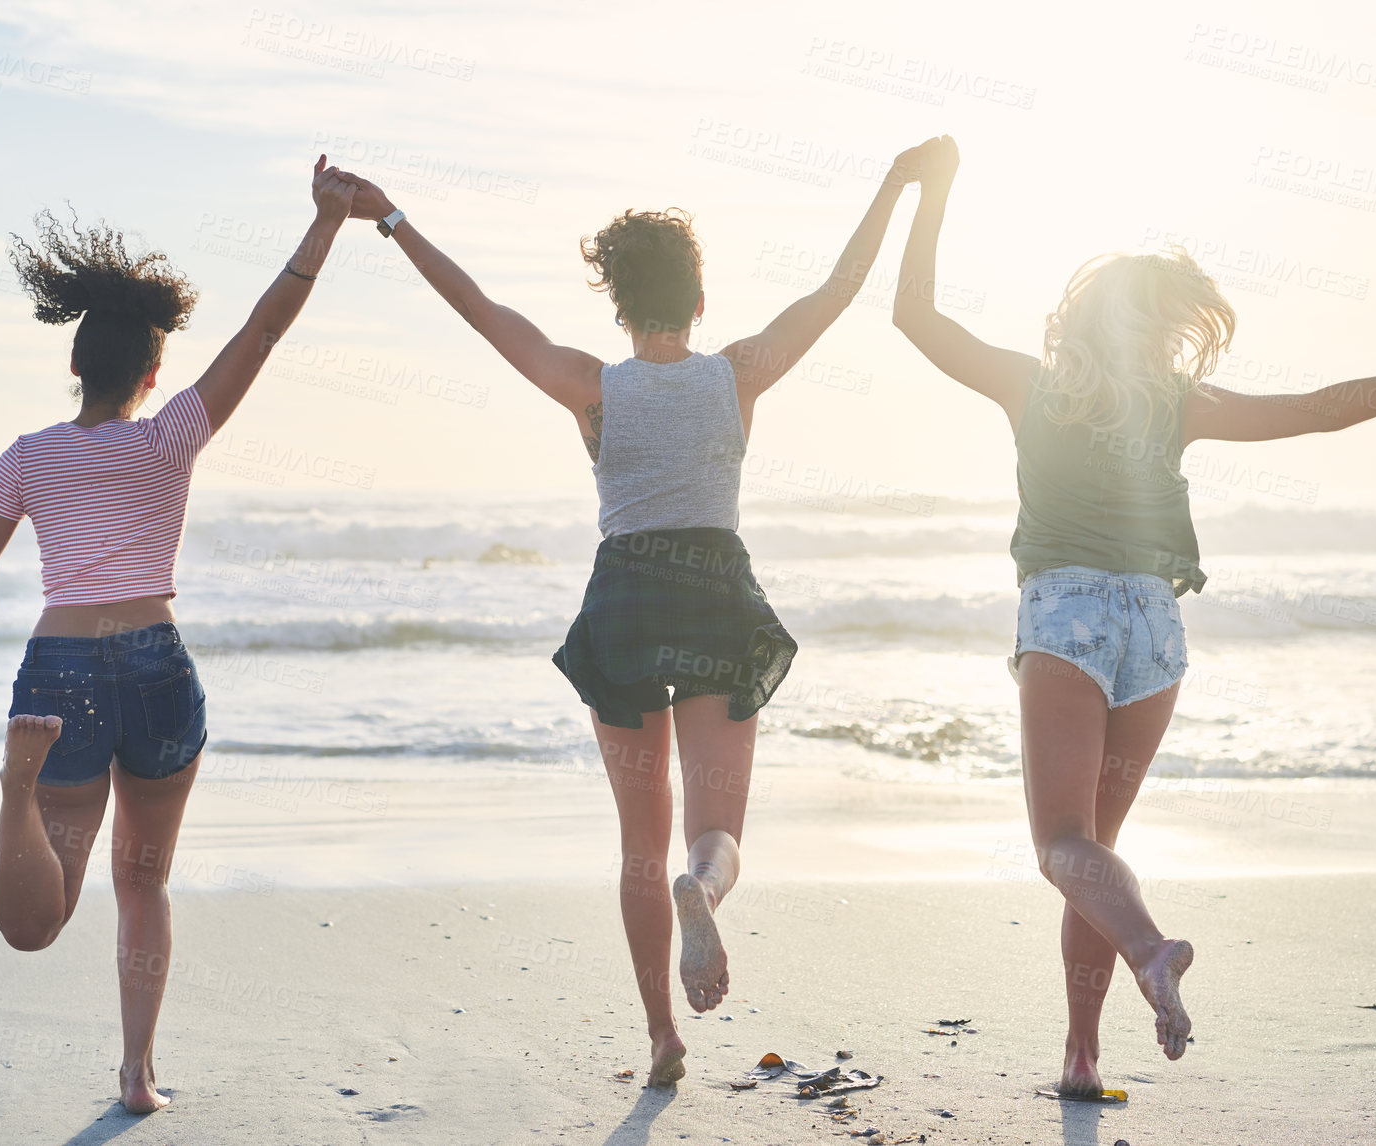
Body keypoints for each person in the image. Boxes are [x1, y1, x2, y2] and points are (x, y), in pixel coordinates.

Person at [890, 134, 1376, 1095]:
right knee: (1094, 855)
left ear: (1083, 316)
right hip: (1155, 628)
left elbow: (911, 315)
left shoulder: (1029, 384)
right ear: (1160, 328)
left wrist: (931, 191)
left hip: (1066, 616)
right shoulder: (1178, 402)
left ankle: (1153, 952)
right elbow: (1324, 409)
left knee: (1062, 849)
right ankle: (1080, 1058)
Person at [338, 140, 933, 1085]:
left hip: (623, 595)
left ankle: (661, 1035)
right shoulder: (738, 372)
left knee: (634, 839)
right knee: (715, 832)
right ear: (700, 299)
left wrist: (393, 217)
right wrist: (898, 183)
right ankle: (702, 888)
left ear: (616, 303)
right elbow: (837, 287)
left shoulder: (592, 385)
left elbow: (482, 312)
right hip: (713, 593)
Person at [0, 156, 361, 1114]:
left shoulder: (27, 457)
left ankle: (13, 792)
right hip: (161, 668)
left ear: (74, 365)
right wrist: (325, 224)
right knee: (144, 882)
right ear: (153, 373)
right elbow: (263, 331)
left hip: (62, 673)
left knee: (38, 922)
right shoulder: (172, 436)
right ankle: (136, 1073)